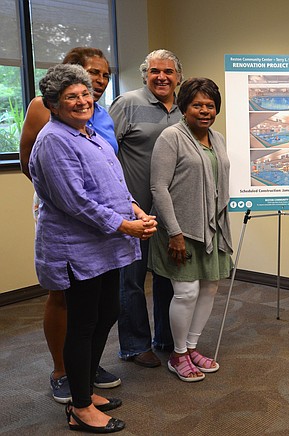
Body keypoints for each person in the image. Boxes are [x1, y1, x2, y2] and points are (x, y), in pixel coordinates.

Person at [29, 64, 157, 433]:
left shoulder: (90, 134)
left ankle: (83, 388)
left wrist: (135, 209)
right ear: (53, 104)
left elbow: (114, 183)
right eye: (71, 96)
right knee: (83, 324)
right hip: (77, 247)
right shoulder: (54, 139)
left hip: (106, 245)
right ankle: (80, 407)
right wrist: (125, 225)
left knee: (108, 312)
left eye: (85, 93)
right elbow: (76, 201)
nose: (82, 100)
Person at [18, 47, 121, 403]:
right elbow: (31, 163)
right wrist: (59, 195)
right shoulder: (43, 108)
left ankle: (84, 371)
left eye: (106, 75)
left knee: (100, 305)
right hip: (67, 212)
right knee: (66, 297)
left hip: (104, 216)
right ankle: (64, 371)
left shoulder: (101, 115)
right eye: (92, 72)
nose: (100, 80)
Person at [149, 77, 233, 382]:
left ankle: (193, 347)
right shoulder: (170, 137)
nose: (204, 110)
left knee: (210, 287)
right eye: (197, 104)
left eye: (210, 105)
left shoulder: (218, 138)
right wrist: (174, 232)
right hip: (180, 231)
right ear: (184, 107)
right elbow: (158, 187)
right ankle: (178, 353)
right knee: (185, 292)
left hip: (211, 228)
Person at [109, 49, 183, 368]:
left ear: (178, 76)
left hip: (171, 210)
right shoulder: (128, 104)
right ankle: (135, 345)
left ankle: (166, 338)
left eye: (168, 71)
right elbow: (105, 154)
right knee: (131, 281)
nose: (162, 77)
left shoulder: (185, 108)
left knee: (169, 277)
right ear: (145, 74)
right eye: (155, 71)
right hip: (134, 209)